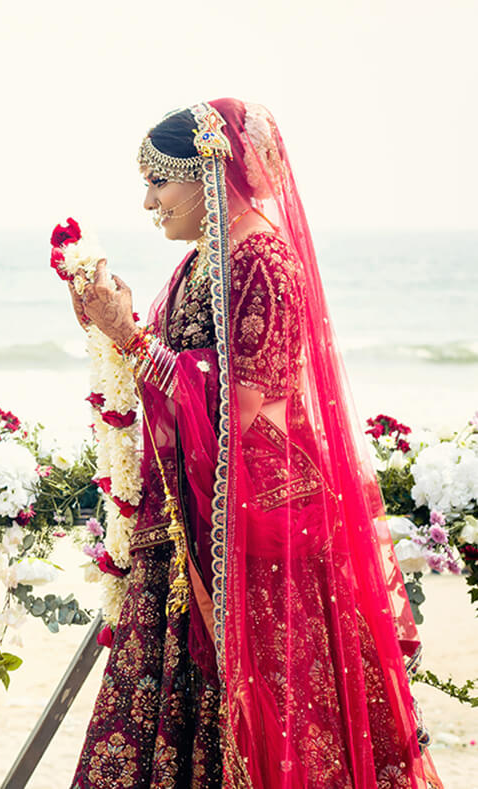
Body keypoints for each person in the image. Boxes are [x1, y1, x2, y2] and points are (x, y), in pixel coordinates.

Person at [65, 100, 443, 788]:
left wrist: (129, 336)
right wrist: (112, 323)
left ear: (210, 171)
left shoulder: (262, 260)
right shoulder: (201, 262)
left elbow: (240, 408)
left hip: (256, 538)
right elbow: (173, 367)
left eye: (160, 181)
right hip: (193, 525)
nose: (149, 201)